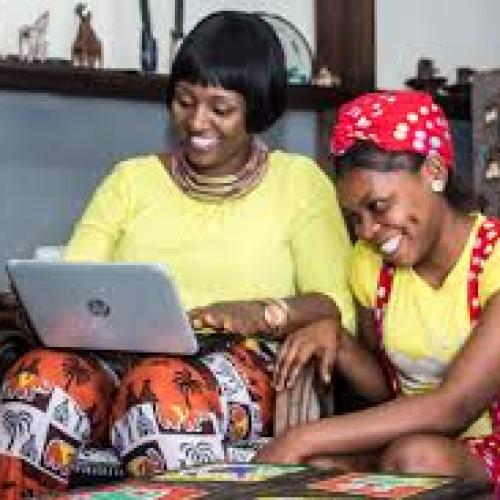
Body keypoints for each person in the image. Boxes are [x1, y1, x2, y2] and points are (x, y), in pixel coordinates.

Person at [0, 11, 355, 498]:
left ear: (257, 110)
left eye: (220, 108)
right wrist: (47, 309)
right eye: (185, 102)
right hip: (116, 360)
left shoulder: (299, 183)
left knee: (161, 389)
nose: (196, 122)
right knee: (37, 381)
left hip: (240, 365)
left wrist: (262, 312)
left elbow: (338, 308)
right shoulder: (131, 180)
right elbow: (76, 284)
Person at [255, 90, 500, 489]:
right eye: (355, 217)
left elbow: (454, 405)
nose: (367, 231)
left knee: (416, 457)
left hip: (473, 452)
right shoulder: (370, 265)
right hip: (415, 445)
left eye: (379, 207)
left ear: (434, 172)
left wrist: (300, 438)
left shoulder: (494, 259)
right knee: (315, 466)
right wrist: (339, 340)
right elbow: (385, 389)